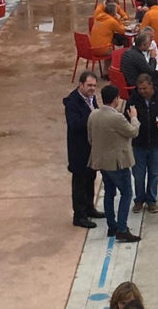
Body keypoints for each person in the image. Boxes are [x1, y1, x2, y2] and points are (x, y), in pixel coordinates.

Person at [87, 84, 141, 242]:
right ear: (116, 98)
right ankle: (122, 229)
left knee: (109, 194)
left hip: (102, 162)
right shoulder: (116, 117)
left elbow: (91, 138)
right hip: (117, 163)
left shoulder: (94, 115)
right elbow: (133, 132)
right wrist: (134, 117)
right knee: (126, 194)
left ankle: (112, 226)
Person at [64, 72, 105, 229]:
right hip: (78, 149)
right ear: (80, 85)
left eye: (94, 86)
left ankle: (89, 208)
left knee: (90, 178)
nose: (92, 89)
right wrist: (92, 117)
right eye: (89, 85)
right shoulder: (72, 103)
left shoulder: (91, 98)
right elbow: (74, 125)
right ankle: (79, 215)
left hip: (91, 148)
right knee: (79, 183)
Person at [128, 73, 158, 214]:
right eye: (140, 88)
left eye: (145, 88)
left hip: (156, 143)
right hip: (138, 144)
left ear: (151, 86)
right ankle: (139, 200)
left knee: (154, 174)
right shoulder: (133, 100)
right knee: (138, 175)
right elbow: (126, 118)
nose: (142, 91)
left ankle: (152, 200)